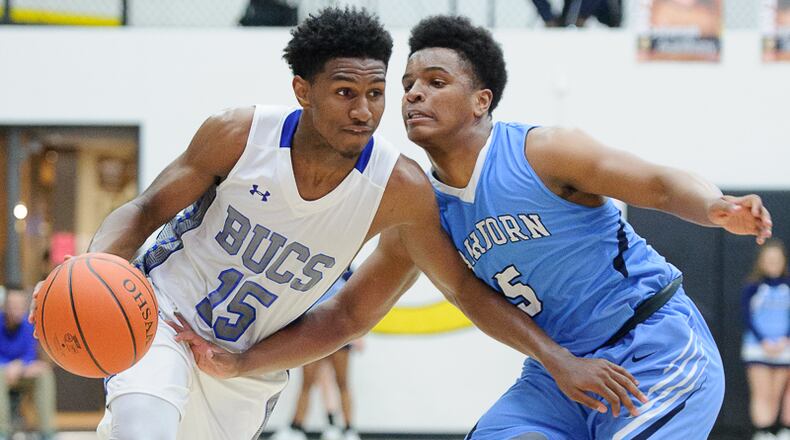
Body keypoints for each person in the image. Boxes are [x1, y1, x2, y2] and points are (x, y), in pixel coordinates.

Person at [28, 7, 644, 440]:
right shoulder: (240, 133)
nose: (366, 109)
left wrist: (558, 359)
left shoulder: (399, 189)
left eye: (376, 93)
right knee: (146, 424)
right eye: (345, 92)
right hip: (161, 315)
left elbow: (424, 298)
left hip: (245, 364)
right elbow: (142, 211)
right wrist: (89, 269)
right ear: (303, 89)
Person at [176, 13, 773, 440]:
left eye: (435, 82)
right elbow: (348, 315)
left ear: (481, 101)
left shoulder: (543, 152)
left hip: (653, 348)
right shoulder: (418, 204)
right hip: (554, 369)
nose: (413, 94)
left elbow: (661, 184)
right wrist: (238, 361)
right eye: (407, 83)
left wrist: (716, 206)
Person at [274, 270, 362, 440]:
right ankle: (296, 427)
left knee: (342, 383)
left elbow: (357, 305)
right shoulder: (318, 271)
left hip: (340, 337)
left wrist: (359, 335)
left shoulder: (351, 275)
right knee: (307, 383)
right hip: (315, 336)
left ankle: (349, 429)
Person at [741, 240, 790, 440]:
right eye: (768, 260)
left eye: (777, 260)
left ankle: (779, 430)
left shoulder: (787, 286)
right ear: (761, 262)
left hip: (784, 347)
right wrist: (763, 341)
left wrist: (785, 339)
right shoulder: (752, 287)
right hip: (757, 347)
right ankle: (763, 432)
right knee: (762, 392)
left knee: (777, 392)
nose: (773, 263)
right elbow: (746, 316)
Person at [0, 287, 56, 440]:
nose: (16, 310)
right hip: (3, 374)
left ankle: (47, 432)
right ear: (5, 307)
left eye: (20, 306)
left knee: (44, 374)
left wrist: (21, 365)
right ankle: (2, 431)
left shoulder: (28, 325)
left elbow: (30, 353)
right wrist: (7, 366)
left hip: (21, 373)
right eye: (12, 305)